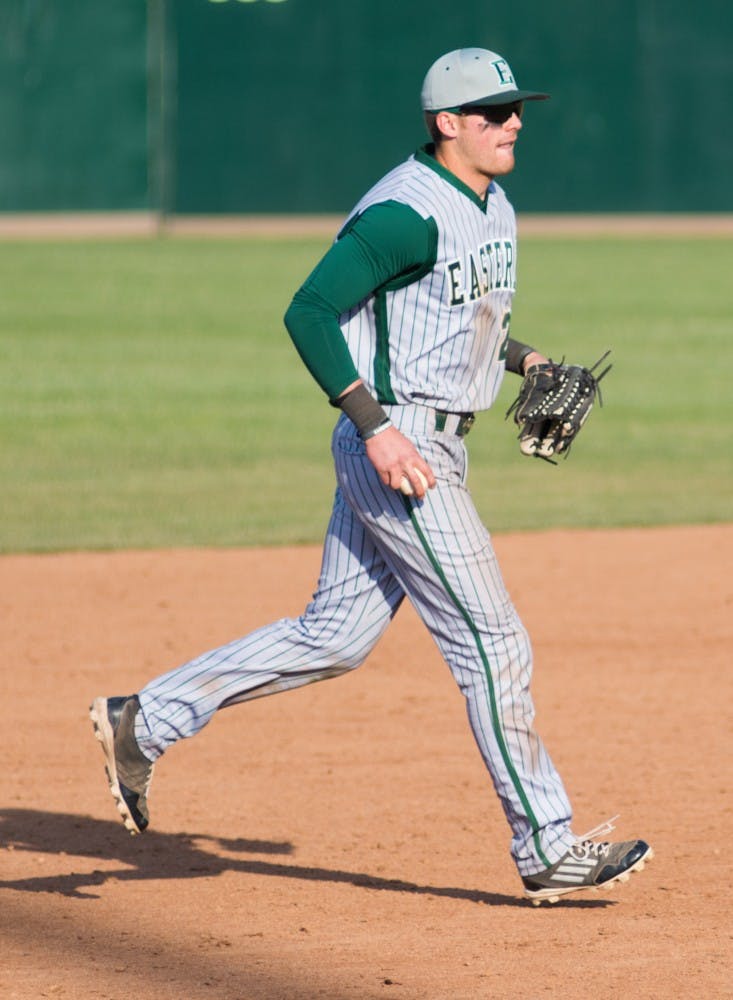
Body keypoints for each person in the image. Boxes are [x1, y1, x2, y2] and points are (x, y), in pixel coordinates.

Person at [91, 47, 652, 905]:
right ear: (447, 123)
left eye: (515, 109)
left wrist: (522, 356)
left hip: (422, 436)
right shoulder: (403, 213)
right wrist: (375, 428)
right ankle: (546, 846)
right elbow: (309, 310)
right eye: (495, 112)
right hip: (404, 449)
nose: (513, 123)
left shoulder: (490, 201)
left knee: (335, 636)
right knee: (492, 641)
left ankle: (147, 717)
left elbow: (442, 314)